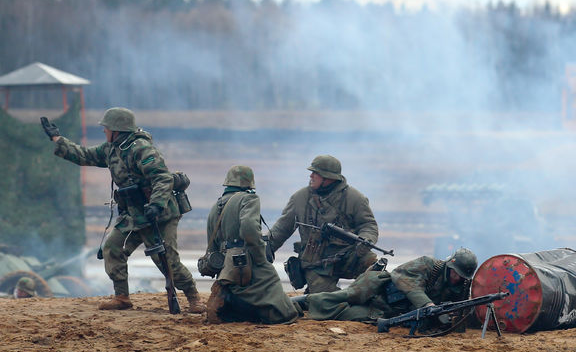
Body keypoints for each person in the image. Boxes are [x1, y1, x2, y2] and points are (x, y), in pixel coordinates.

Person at [42, 108, 204, 313]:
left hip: (159, 214)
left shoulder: (141, 149)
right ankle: (122, 297)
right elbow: (84, 155)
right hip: (133, 214)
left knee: (166, 260)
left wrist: (156, 204)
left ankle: (194, 299)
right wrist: (57, 139)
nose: (104, 131)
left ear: (117, 130)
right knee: (112, 248)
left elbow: (162, 178)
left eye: (106, 128)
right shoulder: (111, 149)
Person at [269, 154, 379, 293]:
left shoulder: (355, 198)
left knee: (375, 270)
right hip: (317, 262)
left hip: (349, 256)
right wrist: (264, 248)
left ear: (328, 177)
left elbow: (368, 225)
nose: (311, 176)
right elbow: (282, 229)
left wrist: (366, 240)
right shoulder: (300, 198)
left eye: (316, 173)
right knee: (324, 300)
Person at [204, 166, 301, 324]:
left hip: (226, 270)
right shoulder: (248, 199)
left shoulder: (217, 206)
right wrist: (260, 257)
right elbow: (249, 228)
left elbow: (211, 241)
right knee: (286, 312)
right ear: (249, 183)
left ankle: (226, 307)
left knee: (240, 293)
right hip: (246, 260)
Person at [304, 248, 478, 322]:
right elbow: (403, 277)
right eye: (455, 273)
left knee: (344, 313)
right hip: (376, 289)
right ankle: (301, 302)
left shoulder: (461, 286)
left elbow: (461, 313)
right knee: (342, 296)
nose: (457, 278)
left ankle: (310, 310)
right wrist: (428, 305)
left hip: (386, 310)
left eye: (461, 276)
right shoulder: (429, 265)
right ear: (449, 266)